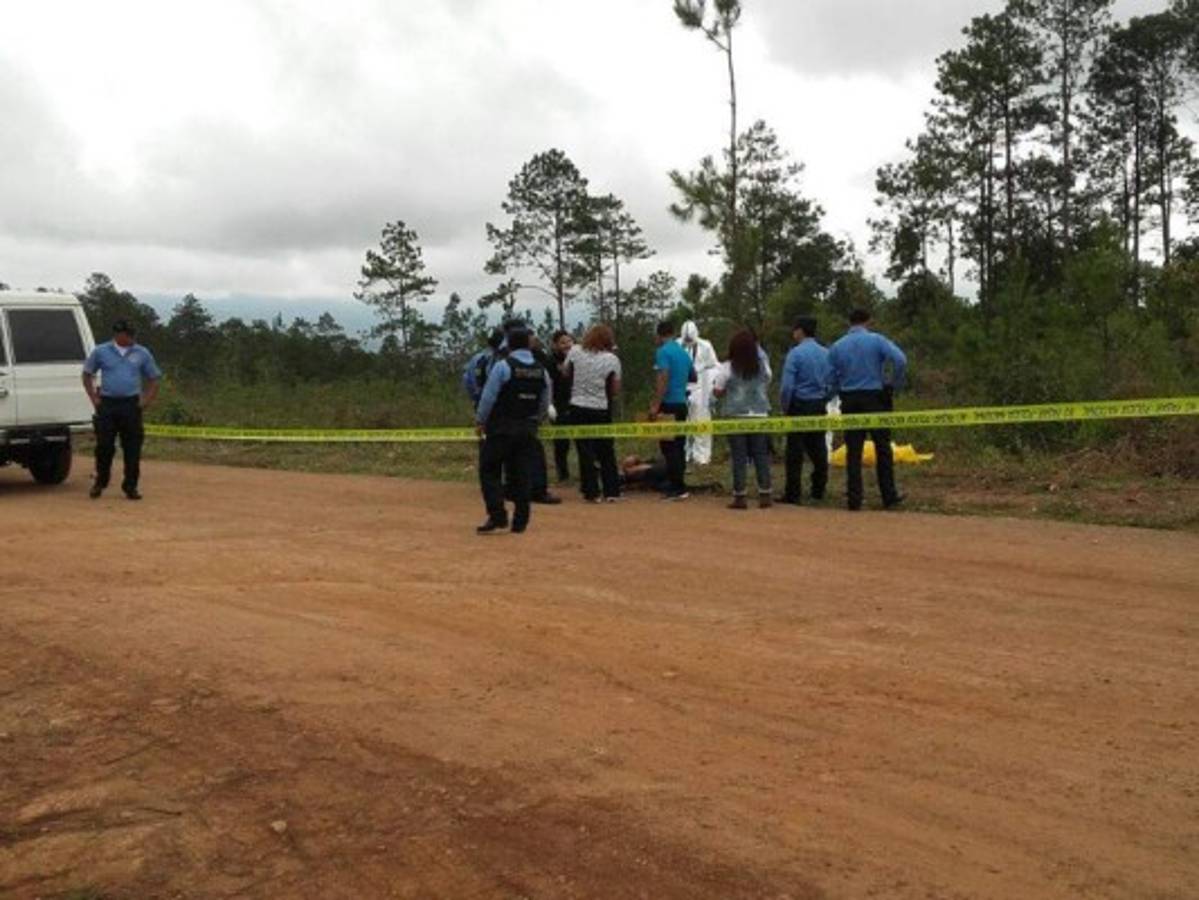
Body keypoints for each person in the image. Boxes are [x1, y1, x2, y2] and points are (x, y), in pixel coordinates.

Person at [828, 308, 908, 511]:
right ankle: (888, 496)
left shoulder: (837, 346)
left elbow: (829, 375)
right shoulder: (877, 340)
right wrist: (892, 383)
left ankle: (854, 498)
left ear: (849, 322)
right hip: (875, 397)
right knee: (882, 447)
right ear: (868, 321)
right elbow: (900, 359)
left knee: (853, 450)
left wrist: (838, 388)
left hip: (850, 398)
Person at [474, 327, 551, 534]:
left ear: (509, 345)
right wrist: (536, 420)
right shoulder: (541, 370)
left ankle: (497, 515)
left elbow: (488, 397)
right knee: (522, 474)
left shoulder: (502, 366)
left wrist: (480, 420)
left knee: (489, 470)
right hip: (528, 428)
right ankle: (520, 521)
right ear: (528, 344)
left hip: (501, 428)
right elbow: (545, 401)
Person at [81, 319, 163, 500]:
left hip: (131, 405)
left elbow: (154, 378)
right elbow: (87, 374)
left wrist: (145, 401)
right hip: (107, 404)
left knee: (132, 447)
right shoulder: (101, 351)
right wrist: (94, 398)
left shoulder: (142, 353)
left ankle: (130, 486)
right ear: (118, 335)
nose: (133, 338)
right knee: (104, 447)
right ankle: (100, 482)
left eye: (134, 335)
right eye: (129, 335)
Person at [713, 330, 774, 509]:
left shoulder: (727, 367)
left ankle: (740, 496)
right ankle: (765, 494)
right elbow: (768, 381)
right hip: (760, 414)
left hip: (736, 416)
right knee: (761, 455)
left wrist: (723, 392)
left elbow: (718, 390)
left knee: (739, 457)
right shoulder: (763, 366)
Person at [565, 324, 622, 503]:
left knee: (584, 450)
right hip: (600, 407)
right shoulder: (612, 359)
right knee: (606, 449)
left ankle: (591, 491)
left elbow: (566, 372)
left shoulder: (574, 351)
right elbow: (615, 389)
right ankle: (611, 490)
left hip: (578, 405)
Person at [778, 316, 832, 505]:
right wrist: (826, 397)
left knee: (794, 451)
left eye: (795, 329)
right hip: (818, 404)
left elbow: (787, 387)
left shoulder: (795, 354)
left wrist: (785, 406)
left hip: (799, 405)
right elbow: (834, 381)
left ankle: (793, 493)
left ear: (800, 331)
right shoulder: (826, 353)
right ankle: (818, 489)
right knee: (819, 449)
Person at [649, 321, 694, 501]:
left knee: (669, 447)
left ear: (659, 335)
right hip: (682, 403)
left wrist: (655, 405)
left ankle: (677, 487)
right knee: (679, 445)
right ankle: (677, 481)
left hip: (668, 403)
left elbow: (663, 378)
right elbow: (693, 376)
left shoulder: (663, 352)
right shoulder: (683, 352)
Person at [679, 320, 719, 466]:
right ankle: (683, 454)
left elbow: (714, 366)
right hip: (681, 386)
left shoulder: (706, 346)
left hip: (701, 386)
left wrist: (710, 386)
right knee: (682, 422)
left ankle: (702, 456)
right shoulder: (677, 345)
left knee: (701, 421)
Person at [549, 330, 575, 483]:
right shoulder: (551, 361)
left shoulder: (578, 359)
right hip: (559, 405)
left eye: (569, 341)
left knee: (584, 440)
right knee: (561, 442)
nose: (567, 345)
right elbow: (548, 384)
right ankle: (563, 473)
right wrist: (550, 404)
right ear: (555, 345)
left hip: (578, 404)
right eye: (563, 342)